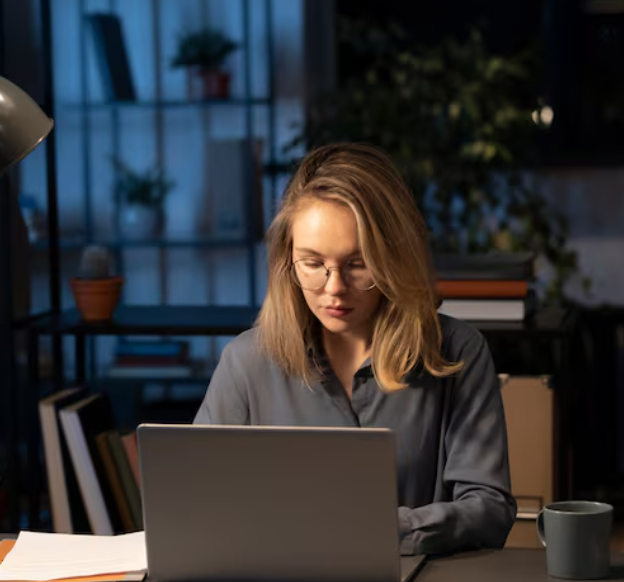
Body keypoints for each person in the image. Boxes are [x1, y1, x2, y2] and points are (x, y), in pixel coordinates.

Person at [194, 142, 517, 556]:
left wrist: (381, 529)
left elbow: (489, 509)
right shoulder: (246, 362)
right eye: (312, 263)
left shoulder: (456, 351)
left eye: (357, 264)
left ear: (393, 259)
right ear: (286, 261)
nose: (334, 289)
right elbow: (199, 508)